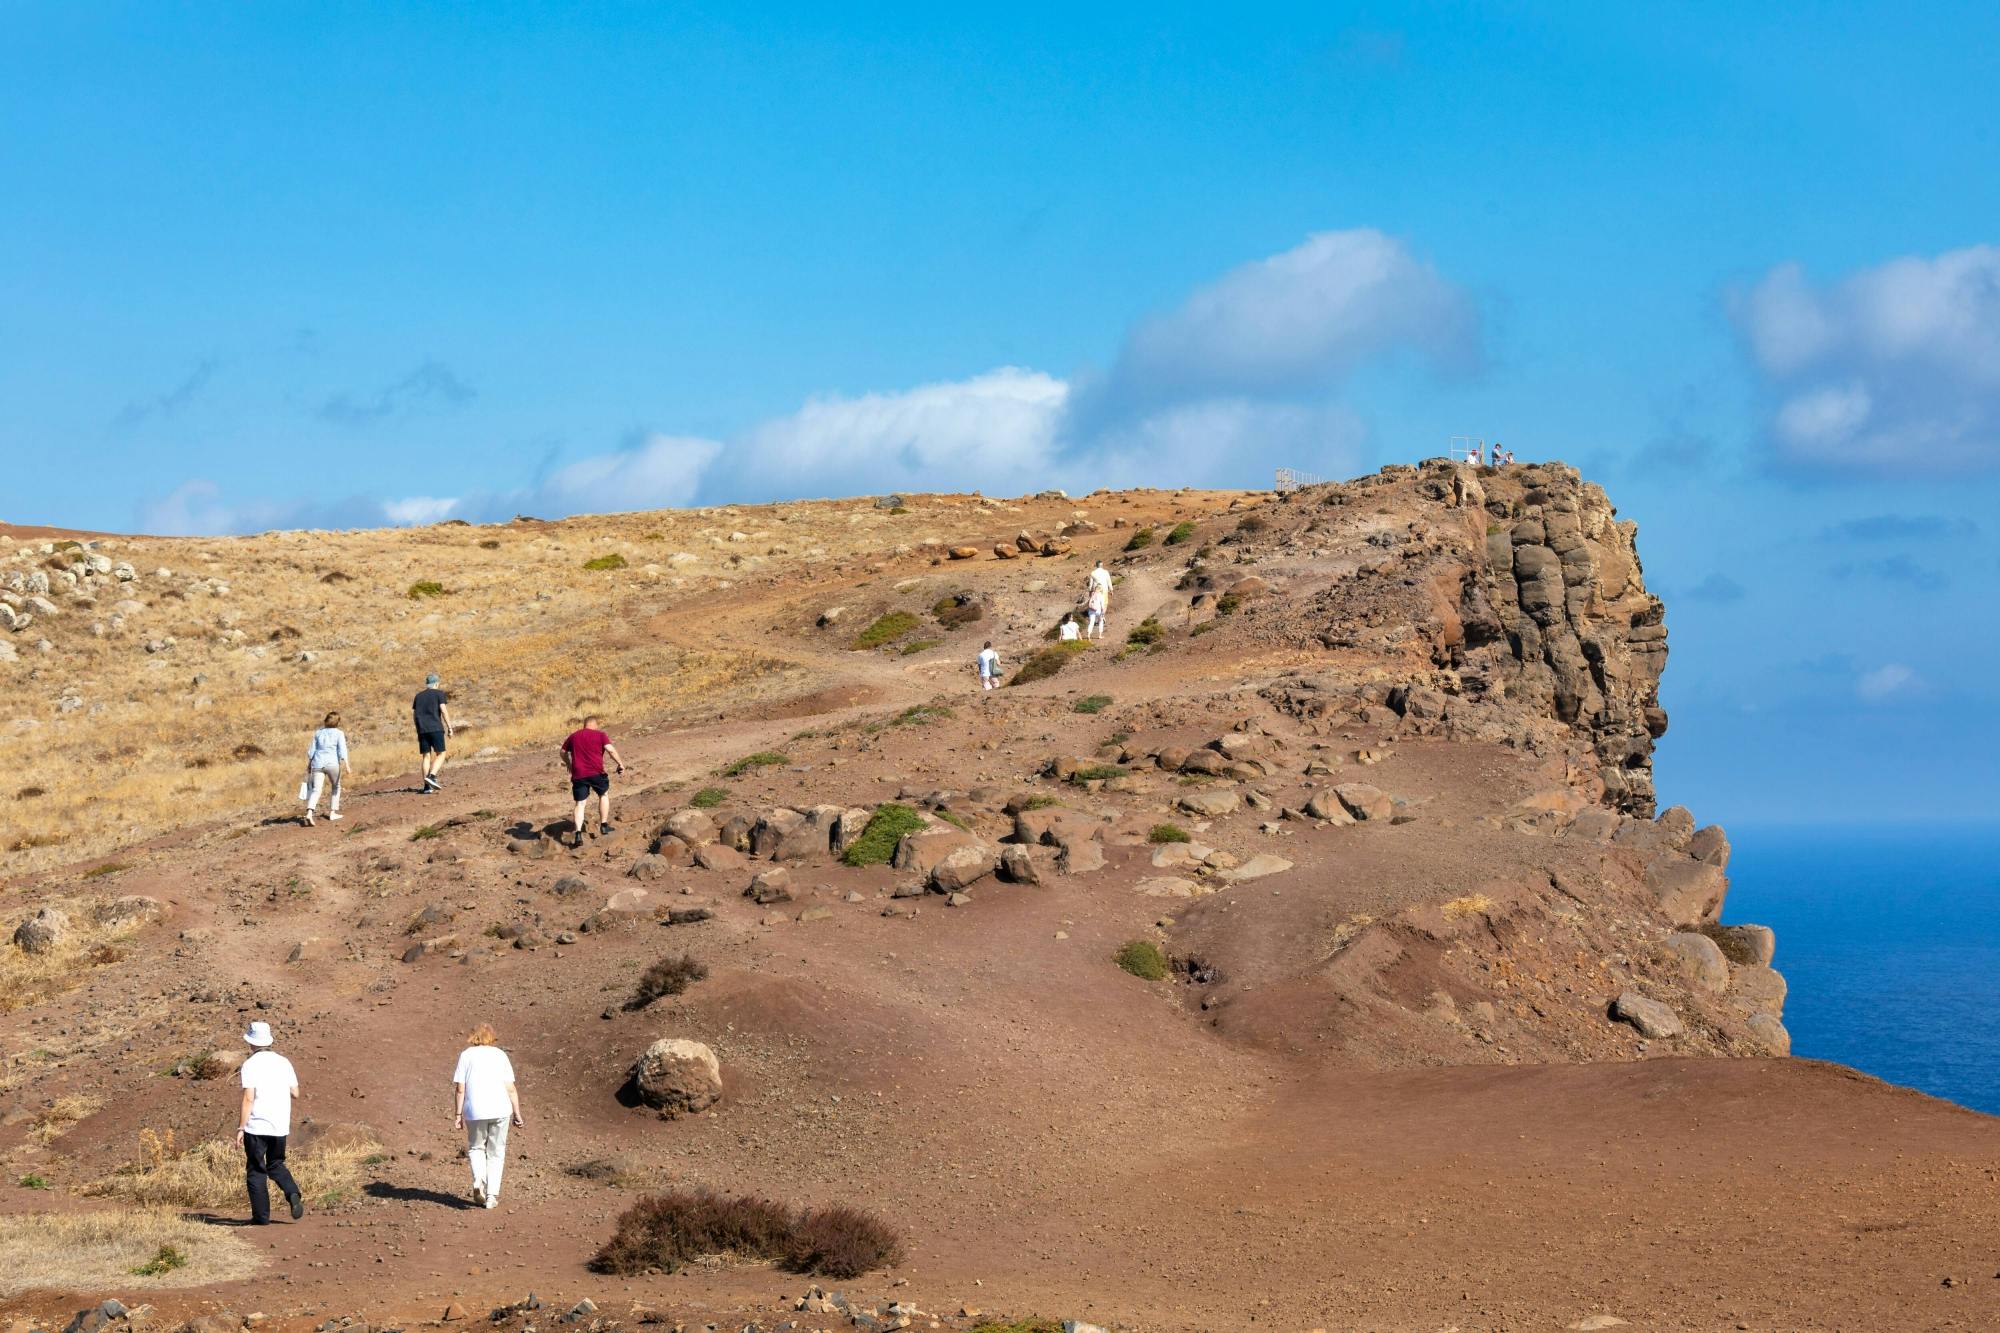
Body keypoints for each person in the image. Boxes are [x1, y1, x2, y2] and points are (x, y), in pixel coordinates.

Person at [237, 1020, 304, 1225]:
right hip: (279, 1124)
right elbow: (296, 1093)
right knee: (276, 1164)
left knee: (256, 1170)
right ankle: (292, 1192)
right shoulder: (284, 1062)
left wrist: (241, 1127)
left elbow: (249, 1098)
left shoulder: (250, 1065)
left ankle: (261, 1217)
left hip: (256, 1125)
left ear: (251, 1043)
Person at [452, 1023, 523, 1210]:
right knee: (496, 1151)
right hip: (500, 1109)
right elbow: (510, 1088)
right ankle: (491, 1196)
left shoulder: (466, 1055)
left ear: (473, 1037)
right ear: (492, 1037)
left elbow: (460, 1089)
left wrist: (458, 1114)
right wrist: (517, 1113)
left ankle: (478, 1181)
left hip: (474, 1111)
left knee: (476, 1148)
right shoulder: (500, 1055)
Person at [561, 714, 626, 845]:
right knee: (603, 794)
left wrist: (568, 763)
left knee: (580, 803)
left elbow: (562, 752)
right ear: (594, 725)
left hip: (579, 774)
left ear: (584, 725)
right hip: (596, 772)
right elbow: (611, 750)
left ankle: (578, 834)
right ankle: (604, 825)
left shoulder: (574, 736)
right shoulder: (600, 735)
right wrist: (620, 764)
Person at [302, 711, 351, 826]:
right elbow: (343, 750)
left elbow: (312, 750)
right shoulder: (339, 733)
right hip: (332, 764)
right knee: (336, 787)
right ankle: (333, 813)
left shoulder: (318, 733)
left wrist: (309, 765)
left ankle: (309, 813)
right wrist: (347, 765)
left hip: (317, 764)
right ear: (337, 722)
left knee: (316, 790)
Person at [412, 673, 453, 793]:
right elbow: (444, 711)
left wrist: (418, 729)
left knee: (426, 756)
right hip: (435, 728)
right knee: (441, 754)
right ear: (436, 683)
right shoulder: (439, 694)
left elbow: (415, 716)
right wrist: (450, 728)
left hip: (422, 730)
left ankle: (426, 787)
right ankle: (432, 777)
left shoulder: (418, 696)